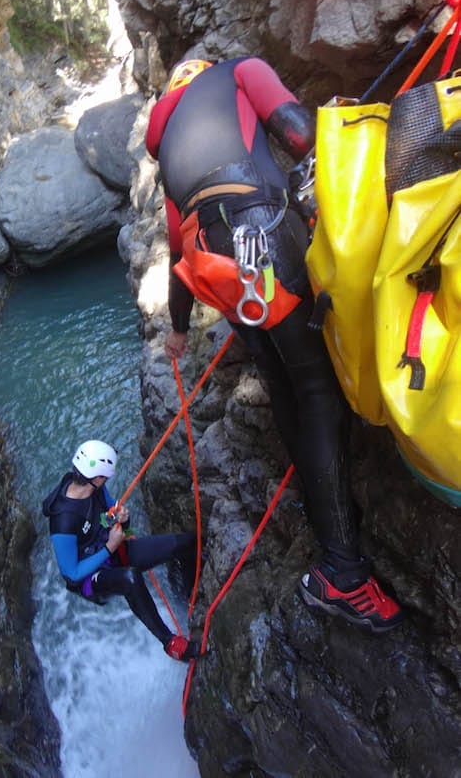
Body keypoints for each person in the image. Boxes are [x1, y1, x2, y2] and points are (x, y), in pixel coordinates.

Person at [145, 56, 403, 633]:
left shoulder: (164, 155)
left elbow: (176, 251)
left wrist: (179, 331)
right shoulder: (239, 70)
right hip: (262, 234)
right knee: (318, 388)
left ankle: (320, 506)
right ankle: (342, 572)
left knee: (285, 385)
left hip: (218, 269)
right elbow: (297, 133)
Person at [42, 439, 203, 660]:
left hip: (115, 549)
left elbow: (111, 511)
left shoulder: (94, 487)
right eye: (106, 477)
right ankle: (171, 644)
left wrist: (122, 519)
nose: (106, 481)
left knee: (187, 542)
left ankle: (189, 595)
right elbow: (72, 574)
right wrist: (110, 547)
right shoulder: (63, 521)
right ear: (97, 478)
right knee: (130, 578)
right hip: (90, 577)